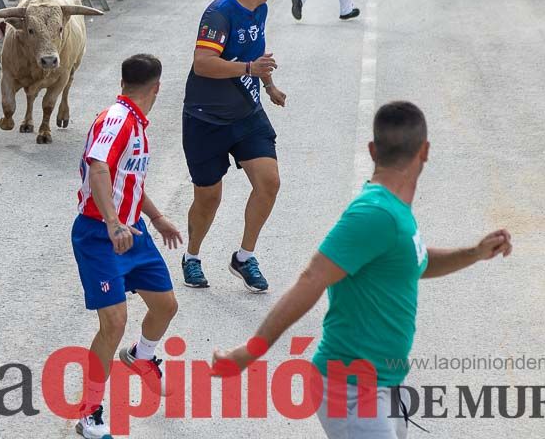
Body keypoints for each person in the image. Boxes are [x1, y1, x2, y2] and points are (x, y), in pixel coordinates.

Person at [211, 101, 513, 439]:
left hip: (384, 384)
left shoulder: (392, 212)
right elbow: (312, 278)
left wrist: (474, 252)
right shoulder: (375, 213)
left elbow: (414, 262)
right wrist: (250, 351)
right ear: (425, 151)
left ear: (372, 150)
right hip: (350, 389)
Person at [71, 54, 182, 439]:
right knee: (114, 323)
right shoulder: (117, 120)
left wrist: (155, 216)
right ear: (157, 88)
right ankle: (89, 412)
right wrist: (114, 222)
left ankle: (141, 356)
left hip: (132, 231)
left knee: (166, 305)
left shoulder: (134, 120)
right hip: (100, 235)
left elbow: (126, 179)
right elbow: (99, 166)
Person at [181, 0, 287, 292]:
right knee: (209, 196)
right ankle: (192, 257)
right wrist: (247, 70)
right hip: (205, 118)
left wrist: (268, 85)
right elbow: (203, 63)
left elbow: (255, 54)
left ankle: (244, 256)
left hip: (246, 111)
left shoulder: (261, 10)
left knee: (269, 181)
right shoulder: (219, 13)